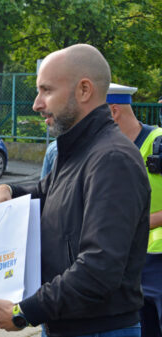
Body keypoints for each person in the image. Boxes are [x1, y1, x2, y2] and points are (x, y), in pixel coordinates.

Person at [0, 44, 150, 337]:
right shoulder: (76, 149)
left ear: (84, 90)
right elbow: (46, 192)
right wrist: (8, 189)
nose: (36, 104)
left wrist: (25, 312)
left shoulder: (112, 159)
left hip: (98, 330)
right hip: (65, 324)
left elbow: (98, 269)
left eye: (46, 90)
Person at [108, 83, 162, 337]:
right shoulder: (104, 150)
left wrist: (141, 223)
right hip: (125, 264)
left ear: (113, 111)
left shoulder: (158, 143)